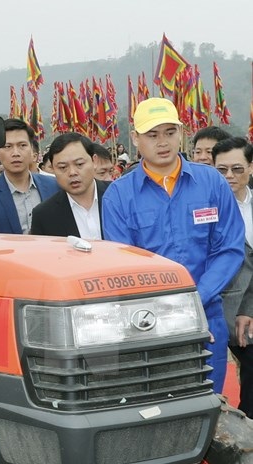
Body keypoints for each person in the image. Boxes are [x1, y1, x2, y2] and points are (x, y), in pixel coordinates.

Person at [102, 98, 244, 394]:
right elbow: (123, 265)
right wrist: (172, 310)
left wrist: (196, 300)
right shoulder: (119, 195)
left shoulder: (211, 183)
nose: (162, 142)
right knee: (158, 404)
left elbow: (229, 248)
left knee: (208, 400)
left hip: (206, 314)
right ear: (135, 138)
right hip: (149, 323)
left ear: (181, 132)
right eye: (152, 135)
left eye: (169, 132)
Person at [213, 137, 253, 417]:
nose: (229, 176)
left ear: (250, 167)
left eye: (237, 169)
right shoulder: (206, 208)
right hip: (225, 307)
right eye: (222, 169)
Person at [0, 118, 59, 234]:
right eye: (7, 146)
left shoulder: (54, 186)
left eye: (22, 145)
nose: (15, 153)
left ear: (31, 150)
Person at [30, 133, 110, 239]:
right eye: (63, 167)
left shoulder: (118, 196)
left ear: (94, 161)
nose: (72, 172)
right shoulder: (43, 215)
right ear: (53, 169)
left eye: (79, 164)